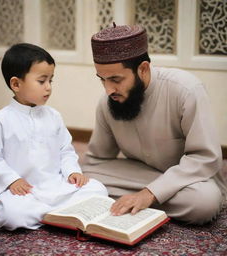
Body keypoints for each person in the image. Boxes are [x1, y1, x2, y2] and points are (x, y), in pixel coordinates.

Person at [82, 23, 227, 225]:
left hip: (187, 180)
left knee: (204, 202)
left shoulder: (185, 90)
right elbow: (97, 161)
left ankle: (138, 200)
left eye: (115, 79)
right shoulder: (108, 102)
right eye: (102, 80)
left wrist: (150, 193)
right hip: (139, 175)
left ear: (142, 69)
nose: (108, 90)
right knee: (83, 177)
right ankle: (141, 201)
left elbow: (205, 158)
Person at [0, 43, 107, 231]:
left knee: (98, 189)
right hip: (25, 193)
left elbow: (66, 150)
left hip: (57, 187)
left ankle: (49, 214)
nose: (48, 87)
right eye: (42, 81)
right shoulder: (1, 121)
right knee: (13, 217)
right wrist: (12, 180)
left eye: (51, 80)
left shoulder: (53, 116)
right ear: (16, 84)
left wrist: (73, 172)